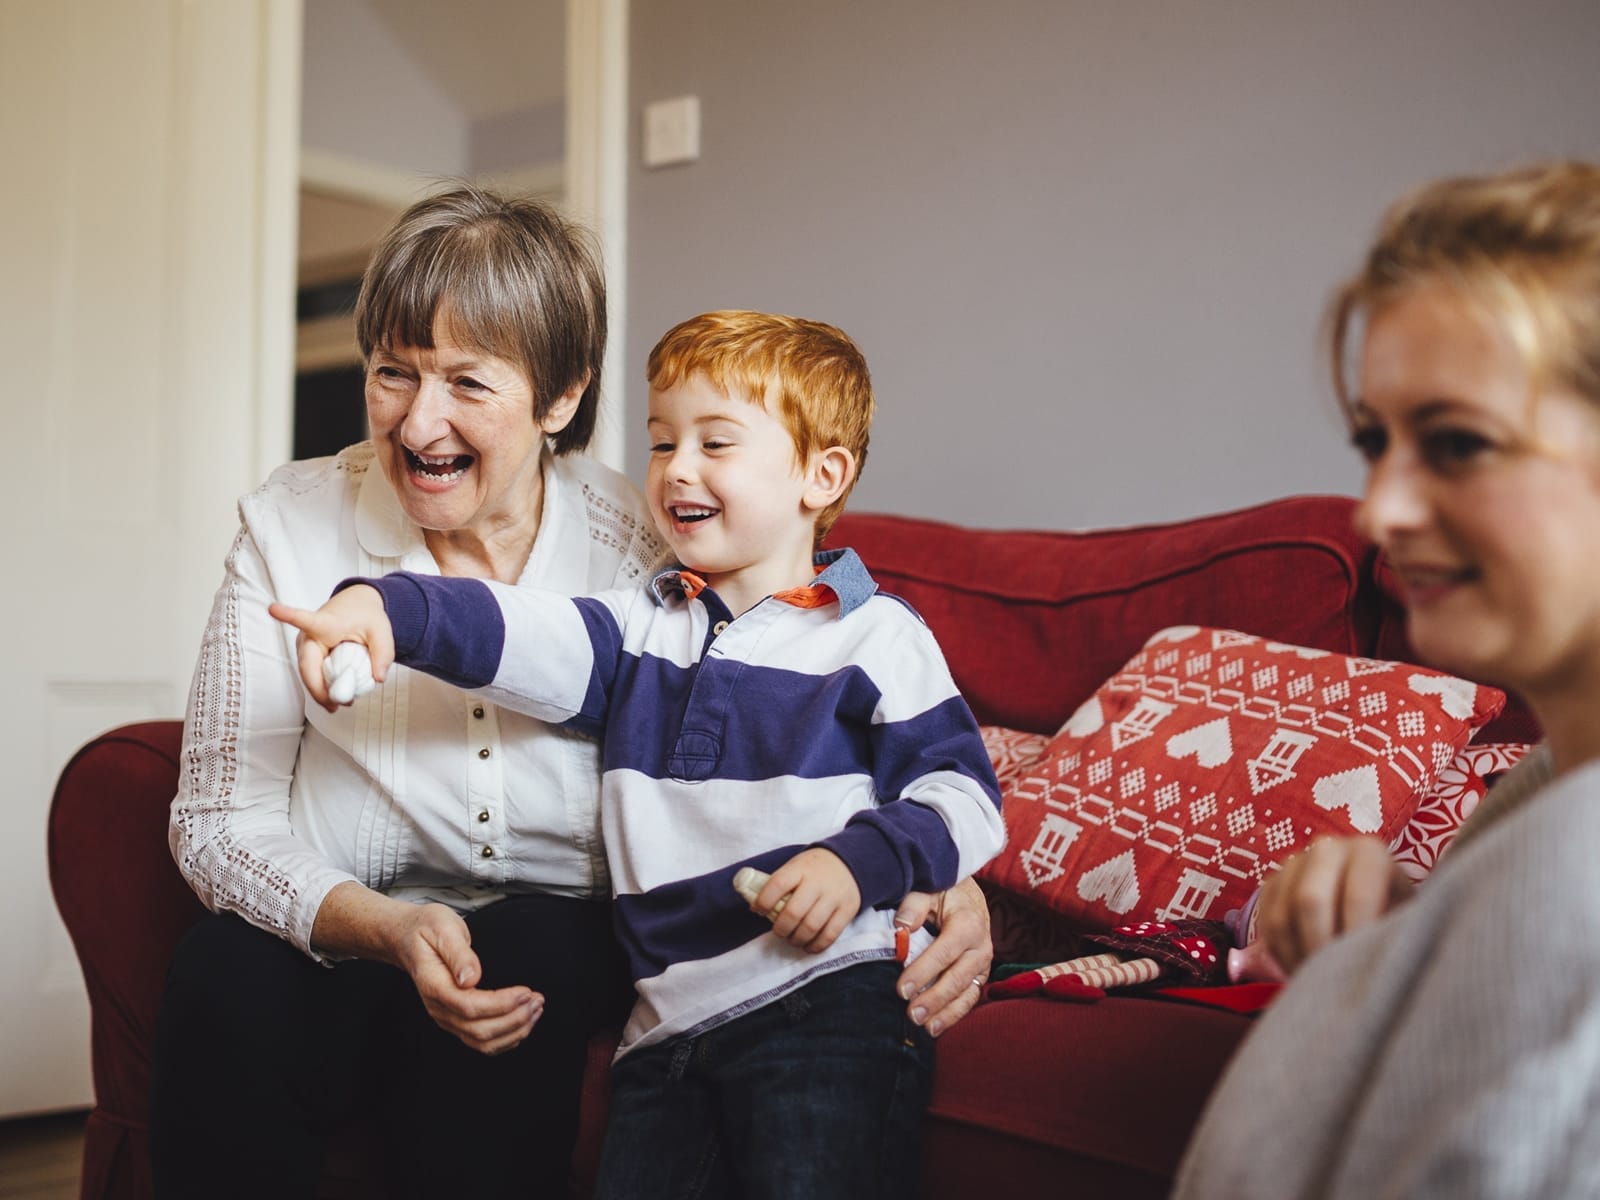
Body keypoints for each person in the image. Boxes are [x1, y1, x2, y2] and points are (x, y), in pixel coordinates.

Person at [152, 191, 996, 1200]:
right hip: (350, 919)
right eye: (391, 373)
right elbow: (217, 819)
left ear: (559, 398)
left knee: (527, 955)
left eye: (466, 381)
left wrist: (928, 870)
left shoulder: (653, 553)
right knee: (223, 975)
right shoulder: (291, 529)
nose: (419, 421)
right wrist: (384, 922)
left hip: (563, 929)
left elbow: (843, 744)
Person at [1174, 160, 1600, 1198]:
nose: (1377, 510)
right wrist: (1408, 929)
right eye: (1376, 441)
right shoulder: (1543, 799)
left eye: (1456, 443)